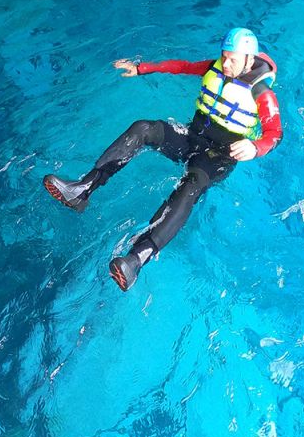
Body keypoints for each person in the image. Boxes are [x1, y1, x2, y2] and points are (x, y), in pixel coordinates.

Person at [42, 27, 283, 291]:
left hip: (219, 156)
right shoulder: (216, 68)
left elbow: (275, 134)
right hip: (192, 137)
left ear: (249, 59)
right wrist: (141, 68)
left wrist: (255, 147)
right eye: (224, 56)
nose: (226, 63)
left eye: (233, 59)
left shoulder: (262, 92)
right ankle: (82, 189)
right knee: (143, 128)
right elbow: (182, 66)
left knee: (191, 186)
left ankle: (135, 260)